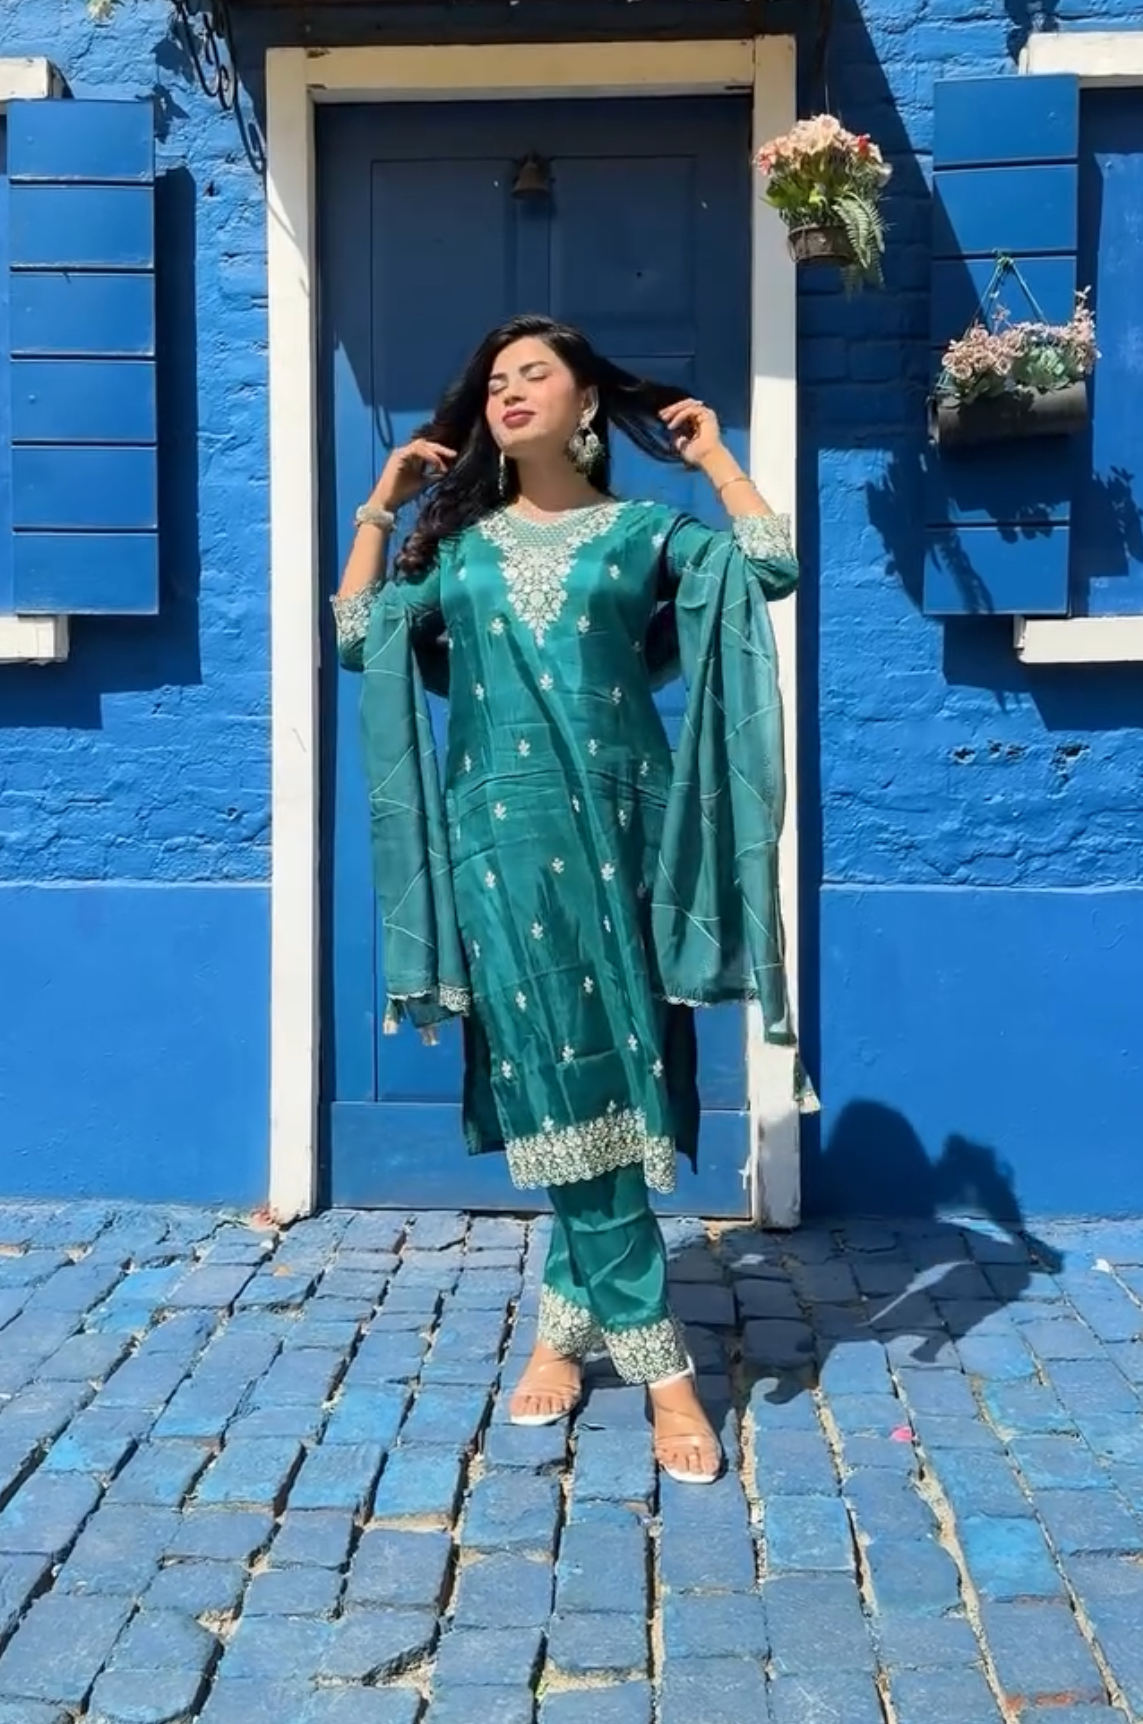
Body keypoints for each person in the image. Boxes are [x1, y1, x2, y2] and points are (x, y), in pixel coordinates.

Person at [333, 315, 799, 1484]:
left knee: (613, 1073)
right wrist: (379, 508)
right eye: (495, 380)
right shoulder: (462, 553)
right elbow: (357, 638)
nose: (508, 392)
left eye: (534, 374)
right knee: (558, 1078)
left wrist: (717, 460)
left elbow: (769, 566)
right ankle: (664, 1368)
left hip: (624, 836)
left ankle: (562, 1319)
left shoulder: (644, 535)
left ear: (587, 401)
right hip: (501, 846)